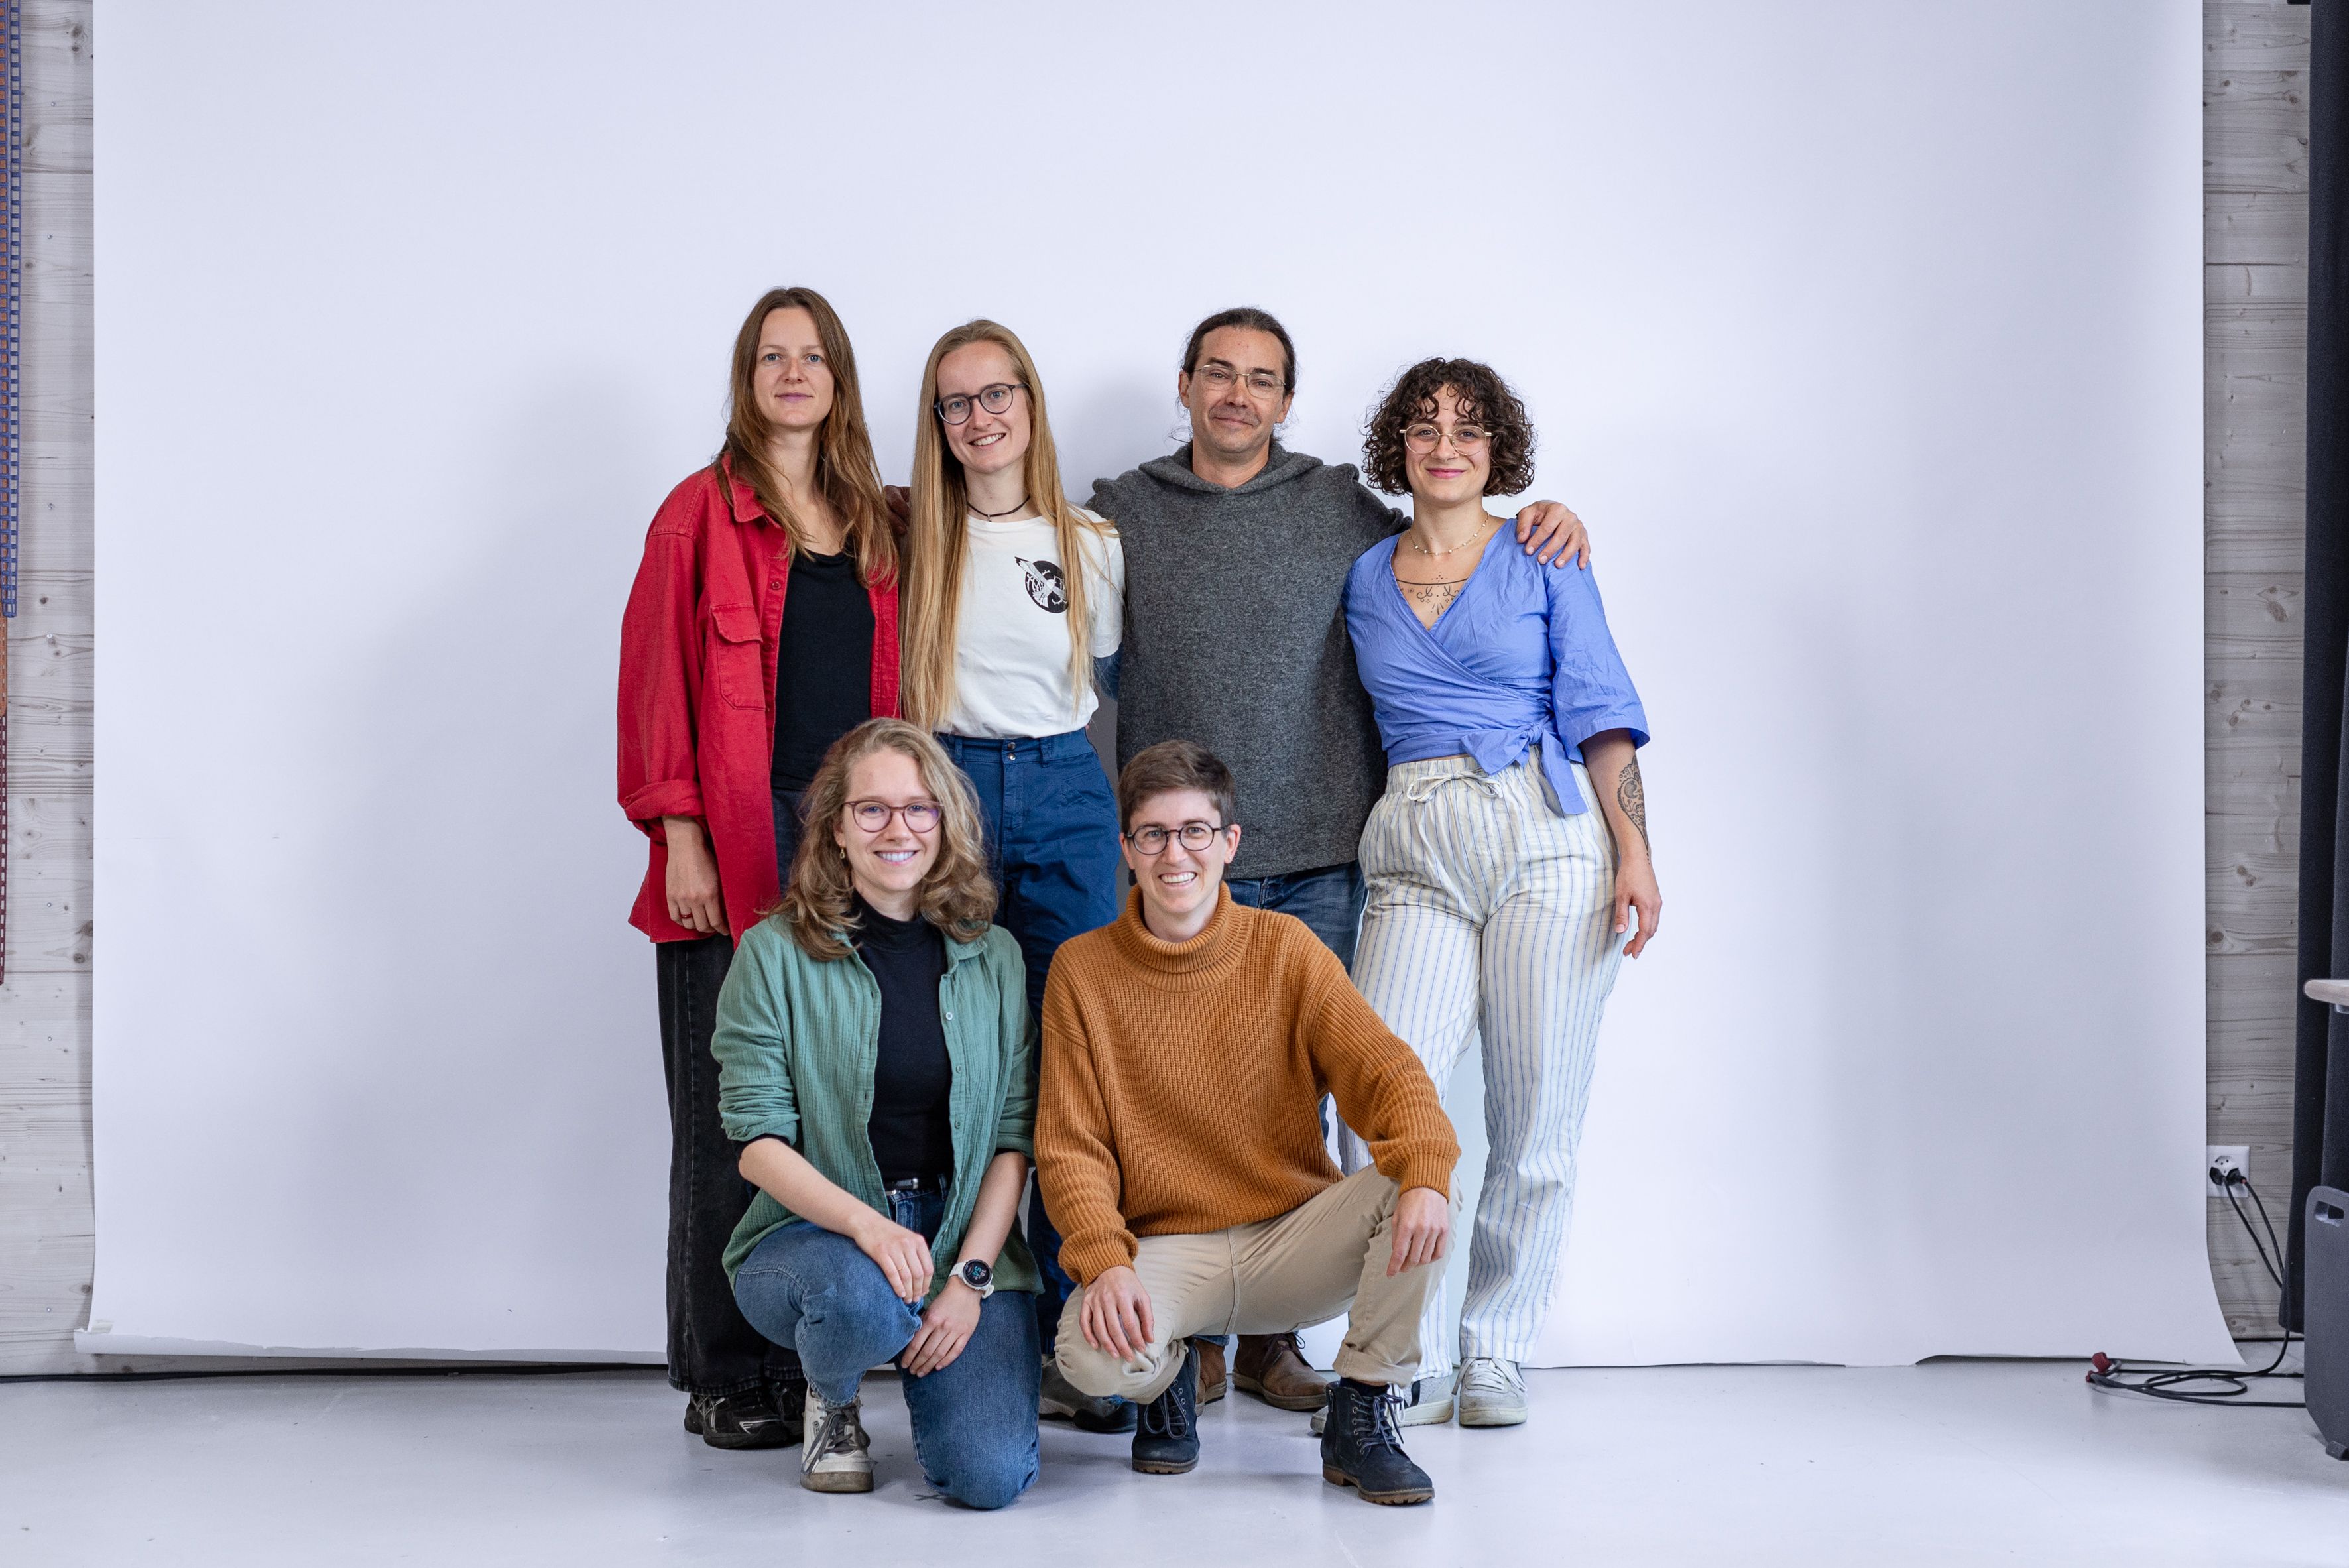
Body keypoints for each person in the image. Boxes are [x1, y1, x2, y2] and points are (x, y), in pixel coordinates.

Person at [1085, 306, 1589, 1412]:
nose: (1237, 395)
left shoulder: (1336, 508)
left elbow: (1448, 532)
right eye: (1218, 373)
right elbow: (1037, 565)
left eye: (1261, 378)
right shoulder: (1121, 511)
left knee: (1295, 1110)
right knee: (1177, 1096)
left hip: (1319, 850)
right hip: (1182, 859)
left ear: (1284, 400)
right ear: (1184, 386)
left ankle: (1272, 1337)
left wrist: (1540, 517)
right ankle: (1194, 1328)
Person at [1338, 358, 1660, 1431]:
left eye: (1468, 429)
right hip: (1414, 837)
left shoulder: (1542, 552)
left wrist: (1635, 853)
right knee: (1384, 1109)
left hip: (1547, 833)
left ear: (1496, 450)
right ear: (1396, 446)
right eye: (1424, 426)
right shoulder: (1362, 574)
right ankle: (1409, 1352)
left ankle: (1495, 1350)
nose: (1445, 445)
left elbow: (1599, 710)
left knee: (1533, 1117)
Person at [616, 286, 902, 1449]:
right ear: (746, 378)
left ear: (838, 379)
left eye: (813, 356)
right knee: (727, 1121)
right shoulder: (695, 515)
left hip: (847, 847)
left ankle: (802, 1356)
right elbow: (653, 688)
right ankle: (722, 1373)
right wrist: (678, 833)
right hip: (730, 845)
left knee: (828, 1111)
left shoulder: (877, 522)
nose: (793, 374)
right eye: (771, 357)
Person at [1036, 741, 1462, 1507]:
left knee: (1425, 1184)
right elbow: (1071, 1148)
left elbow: (1387, 1073)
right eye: (1154, 834)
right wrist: (1105, 1261)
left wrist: (1427, 1170)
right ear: (1127, 847)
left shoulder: (1286, 948)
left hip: (1292, 1240)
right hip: (1168, 1251)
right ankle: (1171, 1378)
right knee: (1088, 1358)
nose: (1176, 854)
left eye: (1195, 831)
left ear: (1229, 842)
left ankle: (1363, 1410)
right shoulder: (1082, 970)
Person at [711, 719, 1042, 1507]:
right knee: (861, 1301)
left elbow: (1012, 1138)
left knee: (990, 1478)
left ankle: (909, 1323)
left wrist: (969, 1277)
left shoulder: (994, 955)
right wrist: (871, 1228)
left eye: (920, 808)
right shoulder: (773, 952)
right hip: (814, 1239)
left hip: (958, 1234)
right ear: (836, 828)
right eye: (873, 810)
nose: (899, 829)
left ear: (945, 822)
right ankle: (833, 1398)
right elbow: (756, 1141)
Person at [900, 320, 1130, 1432]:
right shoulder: (911, 538)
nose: (979, 417)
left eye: (997, 394)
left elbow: (1110, 678)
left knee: (1077, 1054)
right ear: (938, 425)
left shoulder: (1090, 542)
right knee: (957, 1053)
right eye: (956, 402)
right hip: (945, 787)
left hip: (1064, 785)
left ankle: (1077, 1337)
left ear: (1030, 405)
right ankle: (963, 1312)